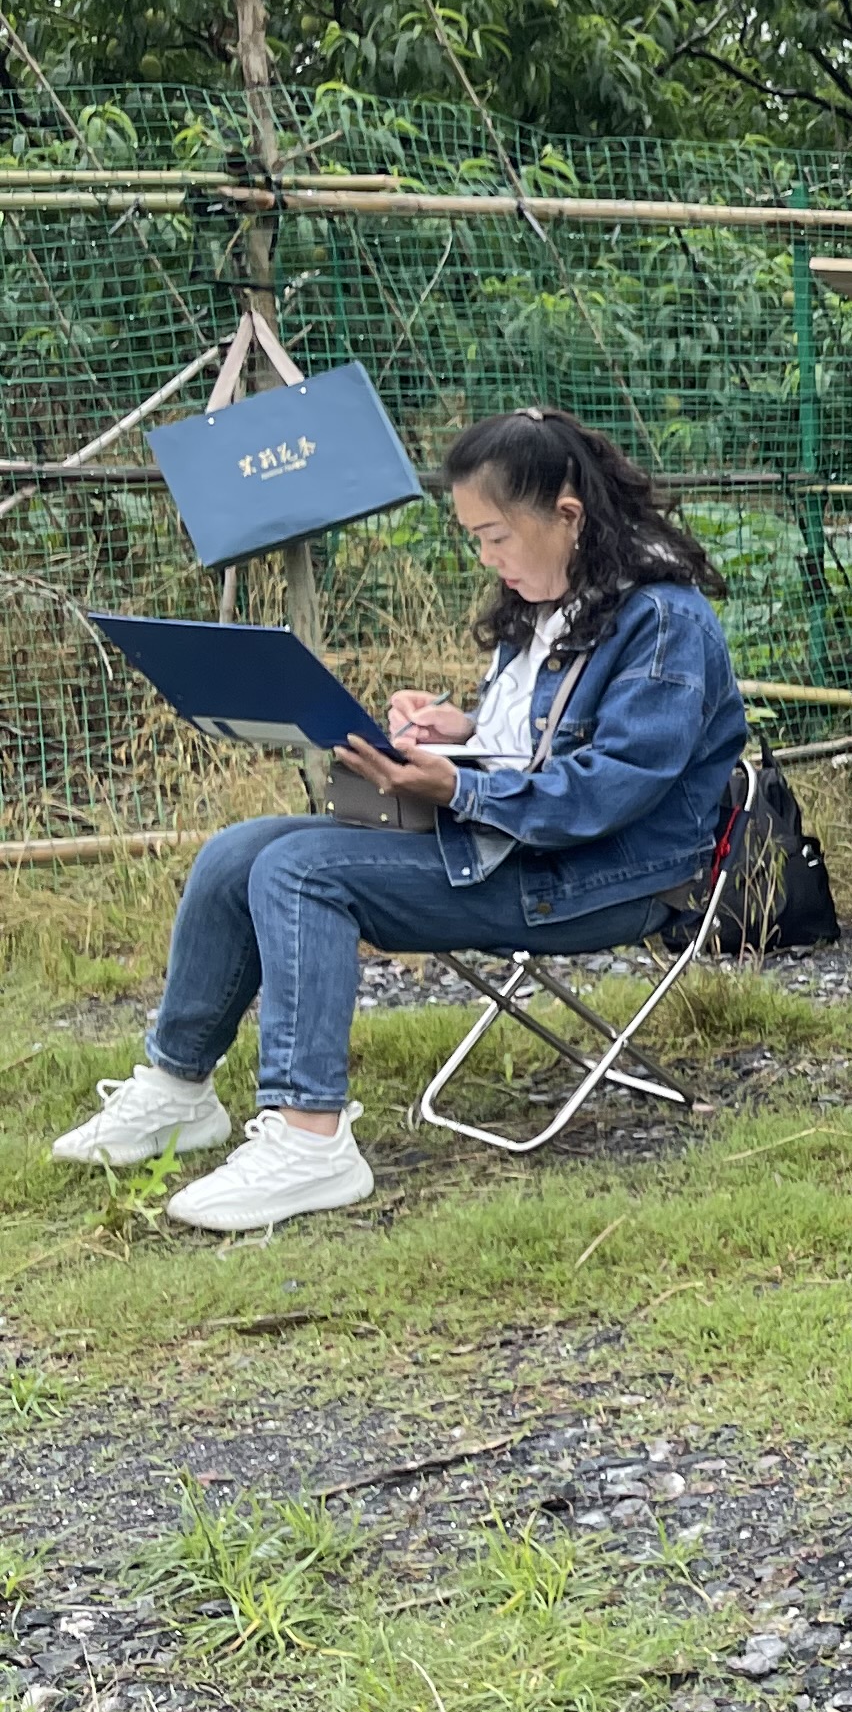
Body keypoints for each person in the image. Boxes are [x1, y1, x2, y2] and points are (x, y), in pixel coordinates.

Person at [52, 410, 747, 1232]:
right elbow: (542, 740)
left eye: (494, 537)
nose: (485, 558)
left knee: (301, 872)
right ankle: (177, 1091)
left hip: (599, 880)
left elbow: (609, 790)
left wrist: (456, 789)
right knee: (236, 854)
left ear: (568, 516)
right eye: (474, 538)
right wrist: (463, 731)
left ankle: (310, 1140)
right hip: (519, 847)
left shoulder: (663, 621)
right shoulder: (551, 598)